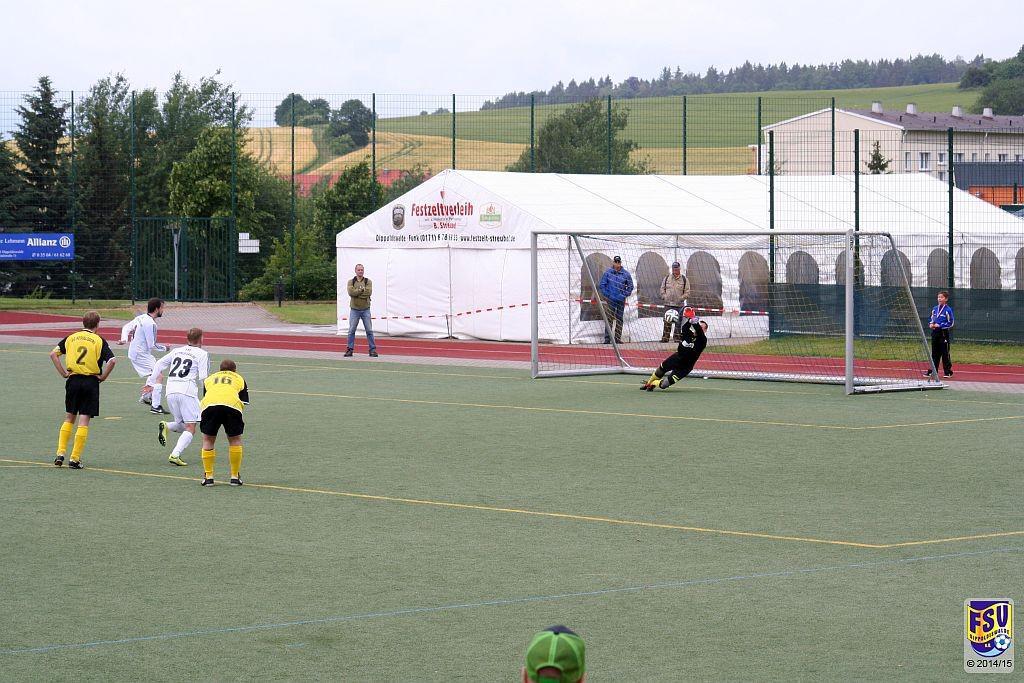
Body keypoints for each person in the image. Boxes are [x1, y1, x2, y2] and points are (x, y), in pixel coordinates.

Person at [49, 311, 117, 468]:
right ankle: (74, 458)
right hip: (90, 382)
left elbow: (53, 354)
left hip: (73, 380)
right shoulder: (99, 340)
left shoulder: (71, 337)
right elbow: (112, 361)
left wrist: (63, 373)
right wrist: (103, 377)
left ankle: (60, 453)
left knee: (69, 418)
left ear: (83, 323)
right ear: (97, 324)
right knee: (84, 419)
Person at [145, 327, 210, 467]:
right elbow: (203, 377)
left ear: (187, 338)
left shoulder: (176, 351)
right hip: (186, 392)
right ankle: (175, 454)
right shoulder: (202, 354)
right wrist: (208, 395)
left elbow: (159, 363)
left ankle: (167, 426)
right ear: (201, 339)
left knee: (182, 424)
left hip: (170, 391)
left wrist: (150, 382)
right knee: (191, 427)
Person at [198, 359, 250, 487]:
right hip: (231, 407)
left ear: (220, 369)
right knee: (235, 440)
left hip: (210, 406)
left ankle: (209, 477)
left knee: (208, 440)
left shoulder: (209, 379)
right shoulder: (239, 378)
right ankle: (234, 477)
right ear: (234, 370)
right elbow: (244, 401)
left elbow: (207, 395)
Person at [641, 307, 708, 391]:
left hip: (685, 367)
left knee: (664, 385)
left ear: (705, 330)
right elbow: (684, 328)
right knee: (660, 370)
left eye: (702, 327)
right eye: (699, 326)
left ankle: (653, 383)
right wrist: (689, 321)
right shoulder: (688, 334)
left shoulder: (703, 340)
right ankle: (648, 383)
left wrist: (693, 320)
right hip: (676, 358)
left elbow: (699, 332)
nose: (699, 328)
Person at [128, 298, 168, 413]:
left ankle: (146, 396)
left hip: (137, 352)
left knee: (155, 373)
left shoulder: (141, 318)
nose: (163, 310)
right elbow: (152, 345)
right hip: (140, 354)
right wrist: (165, 348)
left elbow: (126, 327)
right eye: (162, 308)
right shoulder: (151, 323)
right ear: (156, 309)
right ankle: (155, 406)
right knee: (158, 376)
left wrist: (124, 338)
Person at [598, 256, 634, 344]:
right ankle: (607, 339)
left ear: (620, 263)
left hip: (621, 300)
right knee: (609, 319)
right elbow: (602, 285)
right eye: (616, 262)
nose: (617, 264)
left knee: (619, 318)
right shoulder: (608, 273)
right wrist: (608, 295)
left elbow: (630, 286)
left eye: (619, 262)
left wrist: (623, 295)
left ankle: (617, 338)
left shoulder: (626, 274)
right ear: (613, 262)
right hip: (611, 300)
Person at [345, 264, 378, 358]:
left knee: (369, 330)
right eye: (359, 270)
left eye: (362, 270)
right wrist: (361, 290)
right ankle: (349, 349)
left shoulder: (368, 281)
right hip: (354, 310)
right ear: (355, 271)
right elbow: (351, 293)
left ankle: (372, 350)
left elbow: (368, 293)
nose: (360, 271)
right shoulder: (351, 281)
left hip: (366, 309)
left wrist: (357, 293)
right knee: (351, 330)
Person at [925, 290, 954, 378]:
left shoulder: (948, 310)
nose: (939, 299)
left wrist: (940, 325)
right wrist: (931, 324)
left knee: (945, 353)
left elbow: (951, 323)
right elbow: (932, 318)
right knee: (934, 353)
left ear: (946, 299)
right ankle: (934, 371)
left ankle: (948, 372)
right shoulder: (935, 309)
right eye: (938, 297)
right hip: (935, 333)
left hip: (943, 333)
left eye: (941, 297)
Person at [659, 260, 690, 342]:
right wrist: (664, 296)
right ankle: (665, 338)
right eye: (673, 268)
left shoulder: (684, 279)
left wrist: (681, 298)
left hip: (679, 305)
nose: (675, 270)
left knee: (678, 322)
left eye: (676, 268)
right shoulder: (667, 278)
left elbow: (687, 292)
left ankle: (677, 338)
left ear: (679, 269)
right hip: (668, 304)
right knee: (667, 321)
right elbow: (662, 289)